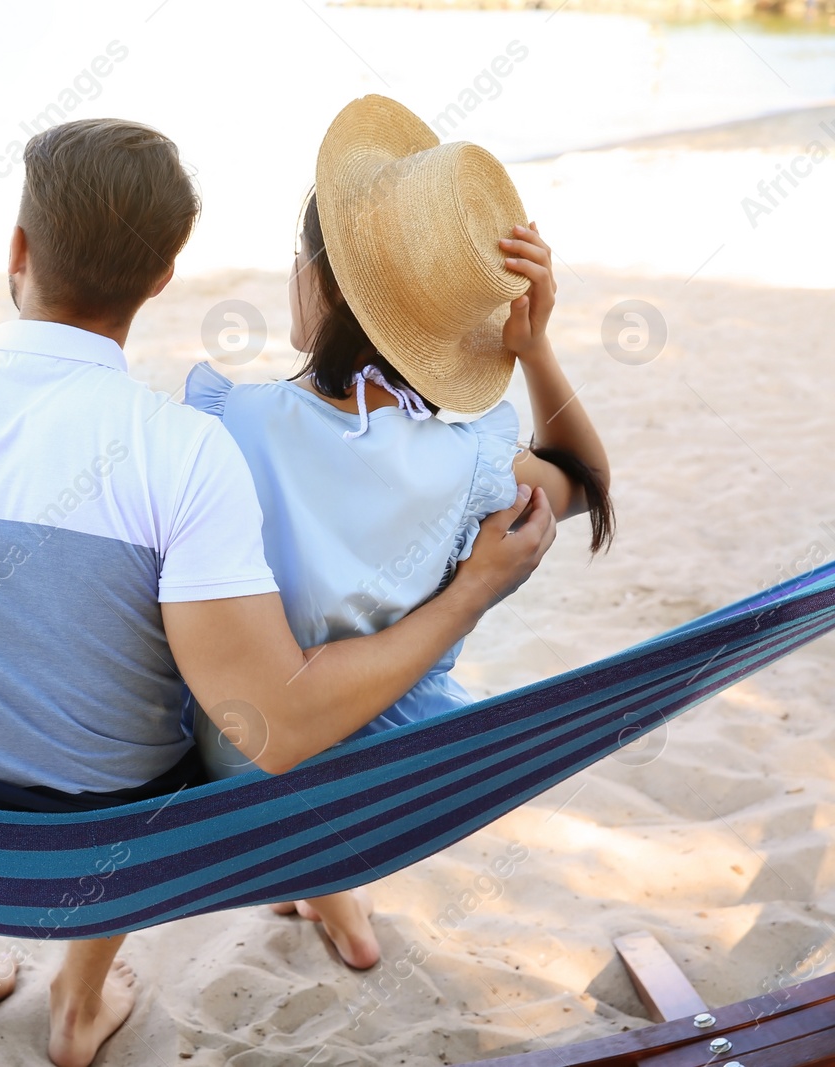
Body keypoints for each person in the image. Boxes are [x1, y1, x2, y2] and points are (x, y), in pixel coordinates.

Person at [0, 117, 555, 1067]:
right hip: (116, 840)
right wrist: (464, 597)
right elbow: (274, 723)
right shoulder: (182, 454)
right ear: (162, 277)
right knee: (153, 659)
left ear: (17, 249)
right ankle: (79, 1002)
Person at [186, 94, 613, 971]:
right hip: (380, 777)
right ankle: (335, 894)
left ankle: (322, 889)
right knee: (348, 710)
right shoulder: (469, 468)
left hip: (233, 766)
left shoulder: (235, 423)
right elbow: (584, 479)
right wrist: (533, 348)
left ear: (326, 285)